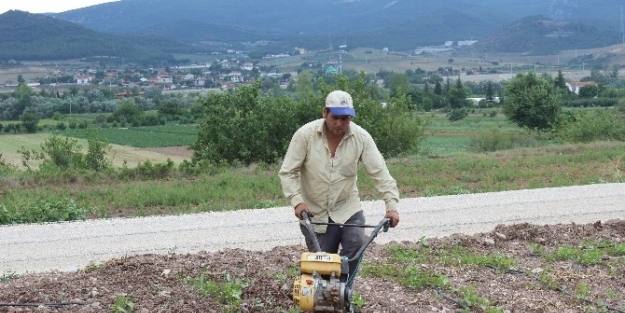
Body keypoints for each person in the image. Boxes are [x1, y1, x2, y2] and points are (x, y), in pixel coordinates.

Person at [278, 89, 400, 279]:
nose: (339, 123)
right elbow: (288, 172)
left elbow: (380, 173)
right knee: (322, 264)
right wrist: (297, 201)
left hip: (347, 206)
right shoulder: (305, 135)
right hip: (314, 210)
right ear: (325, 113)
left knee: (356, 244)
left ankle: (342, 290)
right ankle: (322, 293)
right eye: (335, 117)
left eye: (345, 119)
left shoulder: (361, 138)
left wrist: (391, 206)